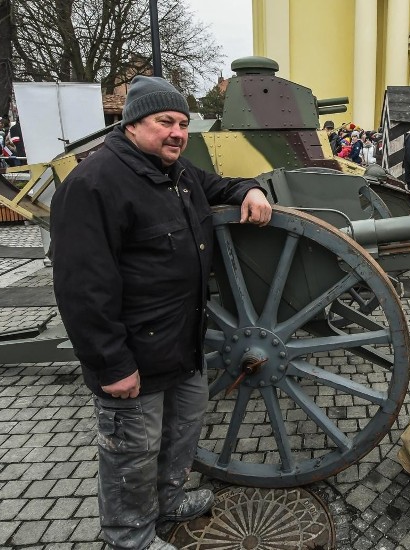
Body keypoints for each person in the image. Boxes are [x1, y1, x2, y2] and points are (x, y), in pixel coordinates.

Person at [50, 75, 273, 550]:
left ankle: (168, 504)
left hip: (182, 345)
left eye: (182, 123)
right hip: (134, 356)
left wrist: (250, 190)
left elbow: (224, 184)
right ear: (132, 124)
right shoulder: (94, 184)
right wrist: (112, 364)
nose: (176, 132)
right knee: (133, 452)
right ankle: (129, 538)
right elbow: (81, 287)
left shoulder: (179, 173)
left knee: (180, 436)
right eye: (164, 121)